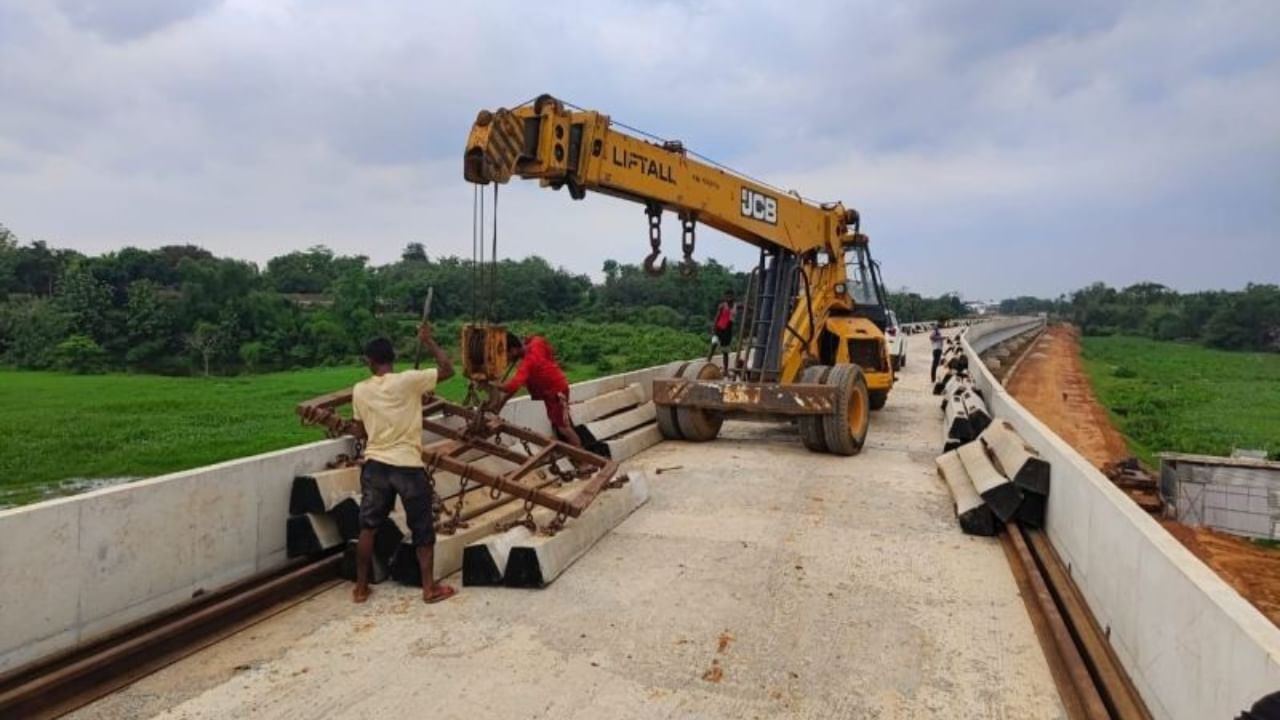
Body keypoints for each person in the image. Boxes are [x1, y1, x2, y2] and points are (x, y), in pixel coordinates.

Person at [349, 323, 456, 605]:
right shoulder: (409, 381)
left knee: (368, 528)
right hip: (407, 465)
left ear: (369, 362)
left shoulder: (360, 390)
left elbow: (359, 431)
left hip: (375, 466)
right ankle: (429, 589)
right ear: (392, 358)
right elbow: (448, 370)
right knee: (422, 529)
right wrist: (429, 341)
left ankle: (361, 589)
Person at [488, 332, 582, 448]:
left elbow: (511, 387)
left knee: (563, 428)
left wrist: (492, 384)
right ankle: (572, 451)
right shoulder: (536, 343)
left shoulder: (528, 363)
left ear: (513, 350)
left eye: (507, 354)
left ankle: (584, 461)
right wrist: (499, 406)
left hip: (556, 392)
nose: (507, 358)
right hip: (554, 389)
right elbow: (541, 343)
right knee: (559, 422)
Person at [709, 289, 736, 373]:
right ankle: (707, 361)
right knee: (714, 344)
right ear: (725, 297)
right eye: (727, 296)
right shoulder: (722, 306)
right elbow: (717, 317)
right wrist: (713, 328)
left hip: (728, 330)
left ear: (733, 296)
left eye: (730, 296)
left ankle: (726, 370)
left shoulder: (736, 306)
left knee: (725, 351)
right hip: (719, 328)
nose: (729, 298)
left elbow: (745, 307)